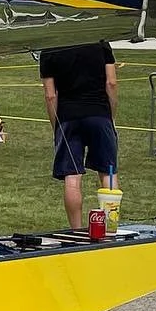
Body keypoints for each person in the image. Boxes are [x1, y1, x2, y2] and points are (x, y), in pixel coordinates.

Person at [40, 40, 118, 229]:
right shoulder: (101, 44)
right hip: (99, 113)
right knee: (108, 172)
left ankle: (76, 229)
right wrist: (111, 117)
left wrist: (56, 126)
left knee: (72, 176)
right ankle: (110, 226)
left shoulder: (50, 48)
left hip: (68, 117)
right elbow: (111, 83)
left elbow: (51, 95)